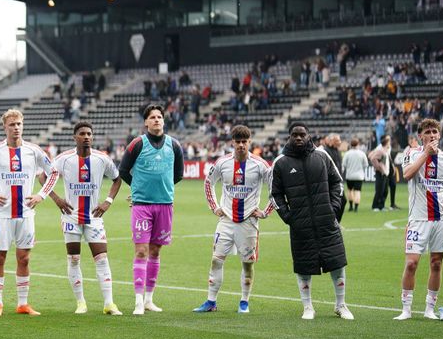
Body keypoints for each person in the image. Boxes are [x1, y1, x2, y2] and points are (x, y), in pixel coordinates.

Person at [0, 108, 56, 317]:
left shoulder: (34, 150)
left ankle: (23, 304)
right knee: (0, 258)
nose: (16, 128)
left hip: (27, 214)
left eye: (19, 124)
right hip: (3, 214)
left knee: (24, 258)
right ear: (5, 127)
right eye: (12, 125)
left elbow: (53, 172)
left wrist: (41, 195)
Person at [271, 122, 353, 321]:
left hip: (327, 222)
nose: (298, 138)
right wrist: (289, 218)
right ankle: (308, 307)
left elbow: (337, 183)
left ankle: (341, 305)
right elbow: (275, 195)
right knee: (303, 266)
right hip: (301, 226)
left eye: (302, 134)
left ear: (308, 136)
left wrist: (333, 208)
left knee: (337, 263)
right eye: (294, 135)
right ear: (289, 137)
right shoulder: (281, 162)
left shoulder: (322, 156)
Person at [194, 125, 273, 314]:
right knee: (216, 259)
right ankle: (211, 301)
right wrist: (215, 207)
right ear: (232, 143)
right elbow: (208, 183)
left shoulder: (260, 165)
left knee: (247, 263)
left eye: (244, 142)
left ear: (249, 142)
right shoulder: (222, 163)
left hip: (248, 221)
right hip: (226, 219)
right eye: (237, 142)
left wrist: (265, 212)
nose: (241, 145)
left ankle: (244, 301)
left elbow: (275, 189)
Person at [48, 121, 124, 315]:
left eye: (89, 134)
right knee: (74, 259)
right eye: (82, 133)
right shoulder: (64, 159)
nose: (87, 137)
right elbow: (44, 176)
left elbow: (117, 178)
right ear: (75, 137)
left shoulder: (102, 159)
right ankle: (81, 302)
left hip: (94, 217)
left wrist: (107, 201)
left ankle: (109, 303)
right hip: (70, 216)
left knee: (102, 259)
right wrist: (57, 199)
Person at [394, 119, 443, 320]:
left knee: (436, 263)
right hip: (418, 218)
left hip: (441, 219)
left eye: (435, 132)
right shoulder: (411, 154)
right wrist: (426, 153)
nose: (432, 135)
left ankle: (429, 309)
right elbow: (407, 175)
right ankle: (406, 309)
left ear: (439, 135)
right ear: (421, 136)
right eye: (428, 132)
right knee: (411, 264)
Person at [117, 104, 185, 316]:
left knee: (155, 251)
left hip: (164, 205)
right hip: (142, 206)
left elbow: (178, 175)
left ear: (164, 121)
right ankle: (138, 301)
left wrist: (162, 190)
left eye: (159, 117)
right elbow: (123, 171)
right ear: (146, 122)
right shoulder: (137, 143)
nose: (156, 120)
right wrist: (138, 189)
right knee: (141, 251)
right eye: (152, 117)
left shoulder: (174, 145)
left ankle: (149, 299)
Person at [341, 137, 369, 213]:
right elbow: (366, 164)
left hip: (349, 175)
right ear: (358, 144)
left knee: (350, 191)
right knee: (357, 191)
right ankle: (356, 208)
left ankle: (350, 206)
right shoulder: (362, 153)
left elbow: (344, 164)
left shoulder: (347, 153)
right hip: (359, 176)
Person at [368, 135, 391, 212]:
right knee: (379, 190)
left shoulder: (385, 150)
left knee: (385, 190)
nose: (390, 143)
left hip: (385, 173)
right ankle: (375, 206)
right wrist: (379, 168)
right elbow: (372, 158)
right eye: (389, 142)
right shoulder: (380, 150)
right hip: (381, 173)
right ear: (386, 143)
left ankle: (381, 205)